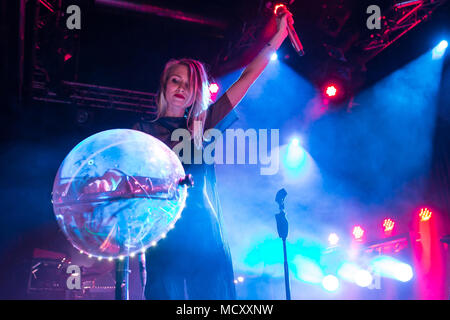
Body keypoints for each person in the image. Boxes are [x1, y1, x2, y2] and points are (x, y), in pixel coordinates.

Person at [132, 10, 294, 300]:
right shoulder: (143, 131)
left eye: (189, 83)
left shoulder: (201, 124)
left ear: (196, 92)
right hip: (162, 231)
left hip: (200, 227)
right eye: (175, 80)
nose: (181, 87)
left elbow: (245, 79)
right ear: (164, 86)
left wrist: (278, 37)